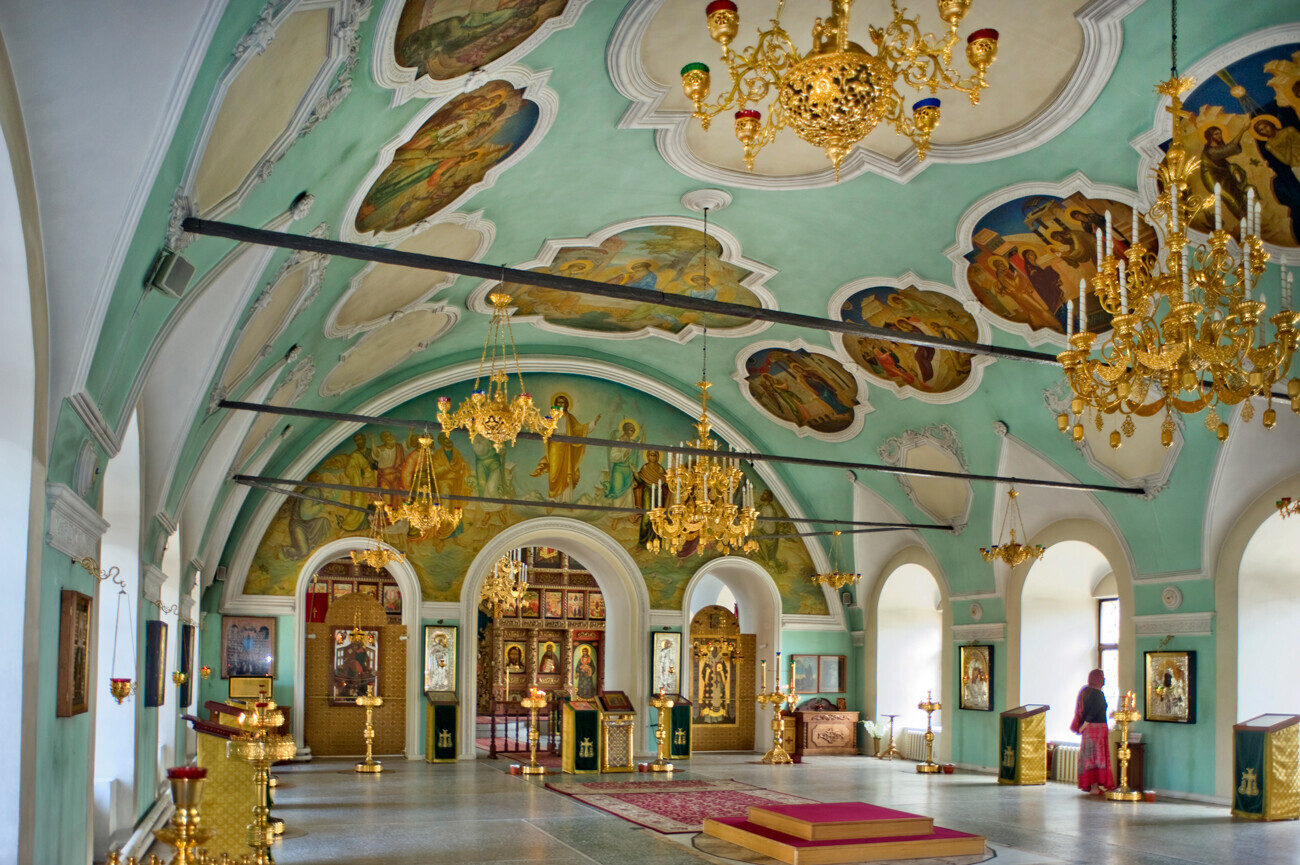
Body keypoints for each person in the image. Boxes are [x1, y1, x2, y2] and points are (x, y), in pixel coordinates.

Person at [1070, 668, 1115, 795]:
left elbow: (1082, 711)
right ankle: (1095, 787)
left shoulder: (1085, 692)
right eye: (1102, 677)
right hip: (1097, 729)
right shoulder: (1097, 694)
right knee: (1097, 757)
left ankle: (1091, 785)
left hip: (1088, 730)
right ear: (1097, 679)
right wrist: (1084, 725)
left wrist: (1083, 727)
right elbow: (1093, 712)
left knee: (1089, 757)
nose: (1104, 679)